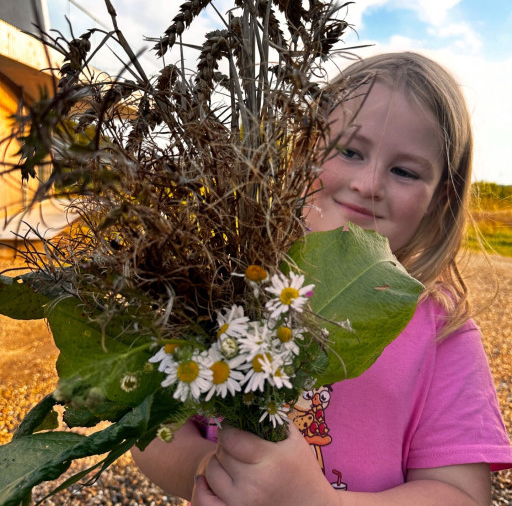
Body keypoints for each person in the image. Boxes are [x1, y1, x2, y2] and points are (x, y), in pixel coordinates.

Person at [131, 52, 512, 505]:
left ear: (440, 198)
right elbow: (151, 434)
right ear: (305, 149)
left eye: (404, 171)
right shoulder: (231, 286)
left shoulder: (442, 332)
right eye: (350, 151)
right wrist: (205, 473)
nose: (368, 183)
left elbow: (462, 495)